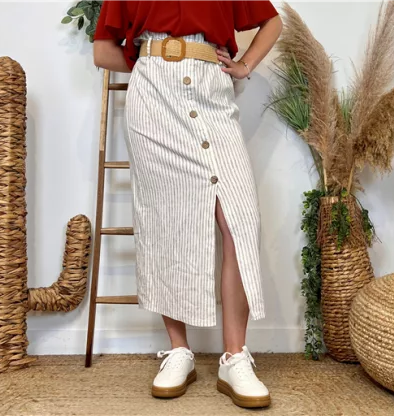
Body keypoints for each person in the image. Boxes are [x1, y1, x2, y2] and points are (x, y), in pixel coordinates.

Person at [93, 0, 282, 409]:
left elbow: (272, 22)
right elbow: (103, 52)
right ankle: (179, 350)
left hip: (212, 92)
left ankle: (234, 358)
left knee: (239, 220)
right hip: (153, 101)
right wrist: (154, 59)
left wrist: (244, 65)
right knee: (167, 222)